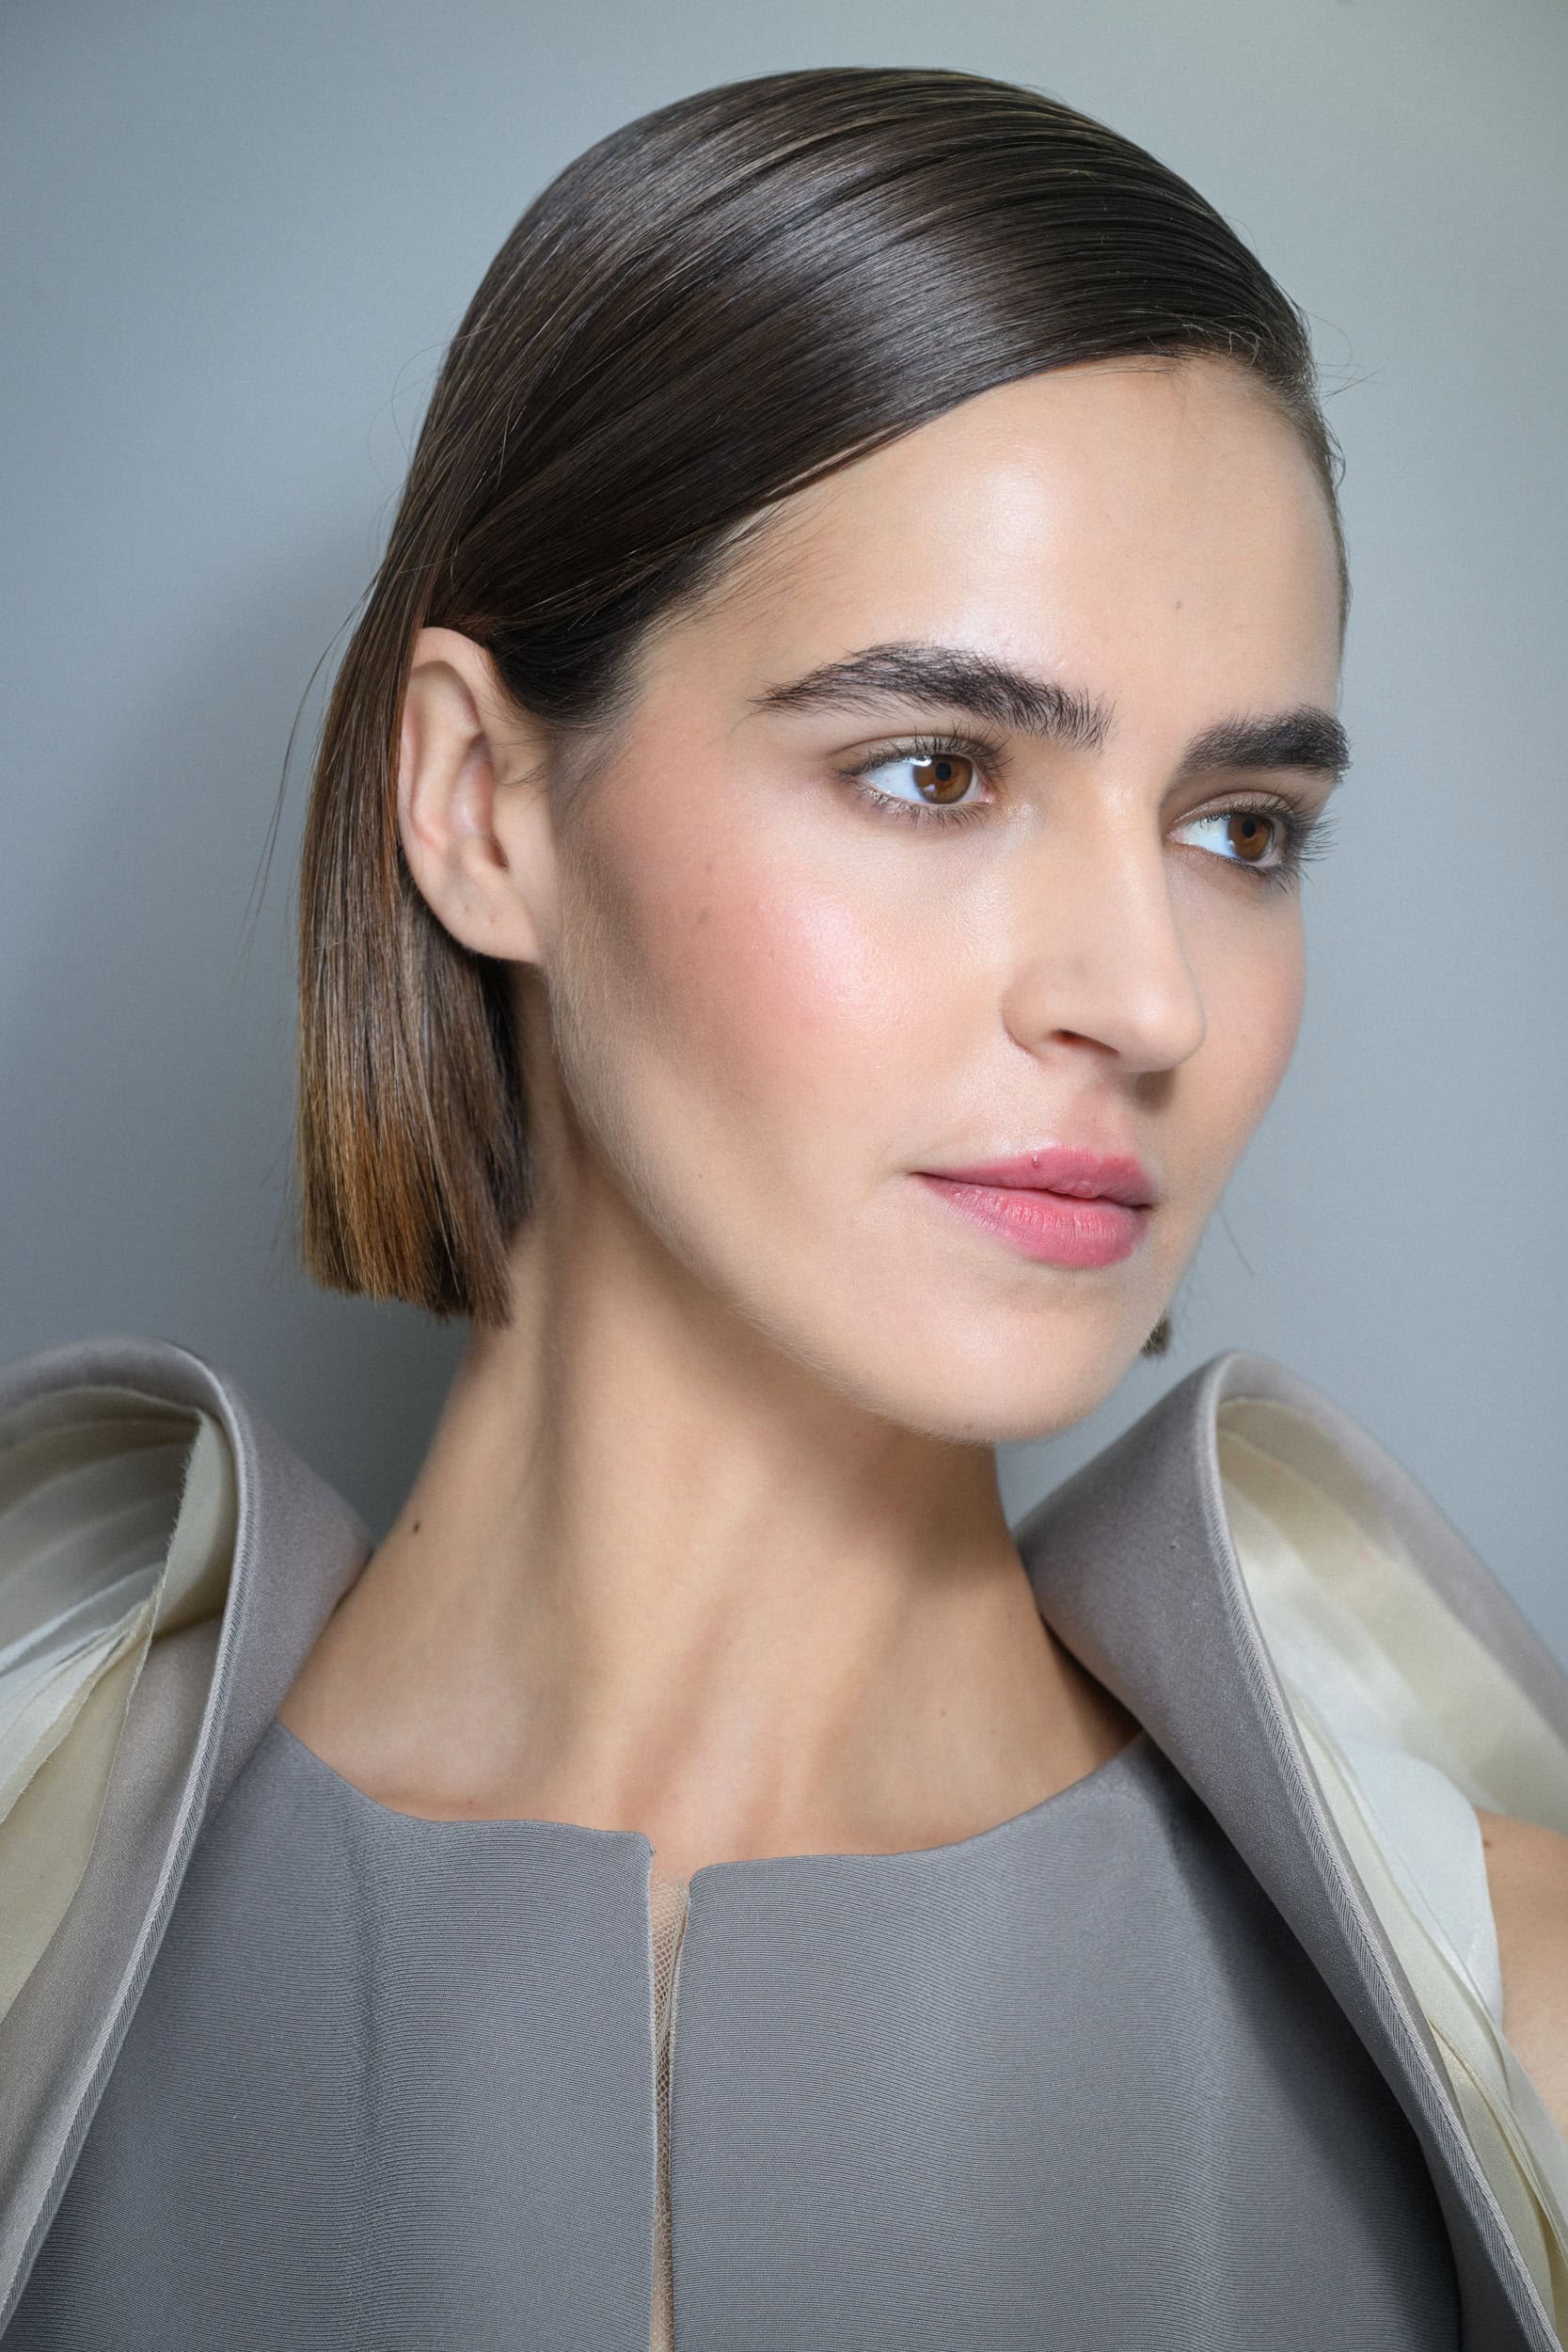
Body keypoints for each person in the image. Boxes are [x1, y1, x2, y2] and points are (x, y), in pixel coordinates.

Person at [1, 61, 1566, 2351]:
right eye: (934, 769)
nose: (1149, 998)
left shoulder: (1527, 2020)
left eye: (1242, 827)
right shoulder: (31, 1948)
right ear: (482, 800)